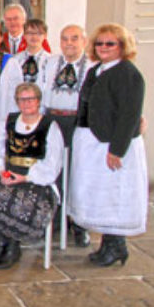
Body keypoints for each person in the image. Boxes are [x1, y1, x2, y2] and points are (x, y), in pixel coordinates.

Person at [69, 23, 147, 267]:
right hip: (92, 143)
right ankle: (108, 244)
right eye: (100, 43)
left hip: (111, 145)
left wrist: (117, 149)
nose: (104, 47)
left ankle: (116, 246)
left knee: (114, 194)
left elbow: (129, 115)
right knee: (99, 195)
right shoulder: (97, 70)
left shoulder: (128, 74)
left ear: (123, 47)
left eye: (110, 44)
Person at [0, 83, 63, 269]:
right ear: (17, 102)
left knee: (19, 196)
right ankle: (1, 242)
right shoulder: (9, 121)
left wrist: (25, 178)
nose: (27, 103)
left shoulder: (49, 126)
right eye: (22, 99)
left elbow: (53, 163)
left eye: (31, 99)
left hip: (35, 178)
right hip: (8, 171)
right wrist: (1, 170)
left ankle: (13, 245)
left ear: (38, 101)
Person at [41, 24, 92, 247]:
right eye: (64, 39)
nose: (69, 43)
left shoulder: (92, 67)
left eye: (74, 38)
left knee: (79, 172)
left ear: (84, 41)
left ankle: (80, 224)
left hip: (79, 123)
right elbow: (42, 92)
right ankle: (56, 219)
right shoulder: (50, 63)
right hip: (53, 120)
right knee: (55, 170)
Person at [15, 19, 50, 84]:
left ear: (45, 36)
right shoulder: (15, 60)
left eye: (39, 33)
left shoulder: (50, 61)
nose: (34, 37)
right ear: (24, 35)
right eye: (30, 33)